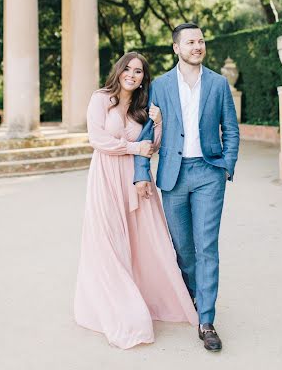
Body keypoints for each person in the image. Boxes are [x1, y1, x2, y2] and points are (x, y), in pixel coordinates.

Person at [74, 52, 197, 349]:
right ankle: (121, 309)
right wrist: (133, 146)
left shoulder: (144, 107)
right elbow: (97, 138)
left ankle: (151, 295)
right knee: (110, 239)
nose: (132, 74)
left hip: (135, 178)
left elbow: (151, 146)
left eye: (139, 71)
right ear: (119, 71)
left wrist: (157, 123)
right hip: (106, 176)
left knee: (146, 239)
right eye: (128, 69)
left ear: (144, 78)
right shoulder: (101, 98)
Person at [134, 24, 240, 352]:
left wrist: (226, 166)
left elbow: (231, 130)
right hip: (173, 176)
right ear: (176, 48)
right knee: (183, 248)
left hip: (209, 172)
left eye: (201, 41)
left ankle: (205, 319)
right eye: (190, 42)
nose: (198, 46)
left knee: (207, 245)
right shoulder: (161, 86)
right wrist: (141, 172)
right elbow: (148, 131)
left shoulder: (219, 84)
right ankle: (192, 296)